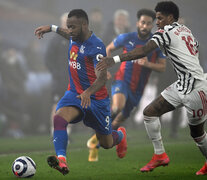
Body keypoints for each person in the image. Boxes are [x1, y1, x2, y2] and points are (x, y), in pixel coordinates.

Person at [96, 1, 207, 175]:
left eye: (160, 18)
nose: (157, 23)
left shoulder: (165, 32)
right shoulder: (186, 30)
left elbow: (142, 51)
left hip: (195, 90)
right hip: (183, 84)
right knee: (149, 112)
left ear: (170, 18)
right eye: (156, 19)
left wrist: (114, 59)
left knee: (197, 134)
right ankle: (160, 155)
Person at [34, 9, 127, 175]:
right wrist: (51, 28)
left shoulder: (96, 47)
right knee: (59, 119)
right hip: (75, 94)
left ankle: (120, 136)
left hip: (97, 100)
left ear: (84, 25)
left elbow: (102, 78)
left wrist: (88, 92)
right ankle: (62, 160)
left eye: (73, 27)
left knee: (106, 143)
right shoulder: (73, 36)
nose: (70, 31)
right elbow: (65, 33)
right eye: (68, 27)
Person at [87, 9, 166, 162]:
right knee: (117, 107)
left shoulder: (155, 43)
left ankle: (100, 140)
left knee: (116, 122)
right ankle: (95, 132)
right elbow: (108, 49)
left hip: (138, 89)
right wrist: (105, 69)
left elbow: (162, 67)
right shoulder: (126, 37)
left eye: (148, 23)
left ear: (152, 26)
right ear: (137, 23)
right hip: (121, 80)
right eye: (143, 22)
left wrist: (148, 63)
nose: (145, 26)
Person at [44, 12, 72, 137]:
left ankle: (67, 133)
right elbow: (48, 59)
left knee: (70, 106)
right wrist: (56, 73)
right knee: (56, 106)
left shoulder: (76, 39)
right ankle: (54, 132)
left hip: (72, 79)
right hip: (59, 80)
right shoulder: (55, 40)